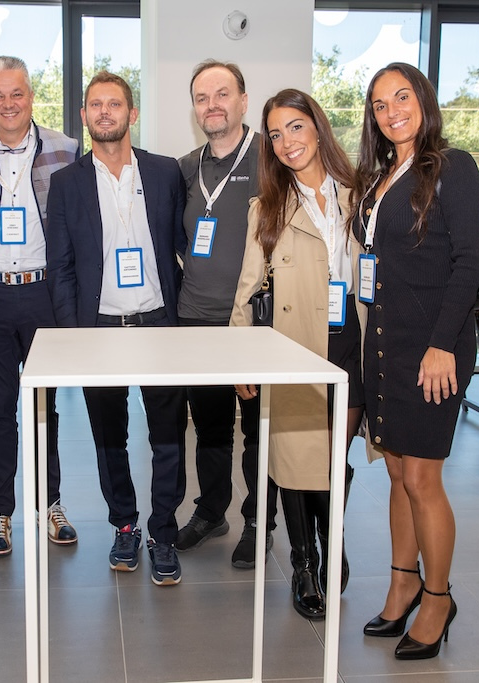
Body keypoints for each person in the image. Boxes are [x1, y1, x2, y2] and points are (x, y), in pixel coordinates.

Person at [351, 62, 479, 660]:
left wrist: (441, 344)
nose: (392, 111)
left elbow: (471, 261)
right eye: (380, 104)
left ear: (423, 100)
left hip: (433, 346)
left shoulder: (453, 168)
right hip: (387, 341)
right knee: (396, 473)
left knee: (422, 478)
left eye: (402, 97)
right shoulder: (381, 176)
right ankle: (402, 583)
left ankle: (437, 598)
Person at [46, 71, 188, 586]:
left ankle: (163, 533)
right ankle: (124, 525)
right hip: (99, 328)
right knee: (110, 438)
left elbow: (182, 247)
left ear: (133, 113)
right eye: (96, 105)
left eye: (115, 104)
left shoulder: (166, 172)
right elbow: (60, 267)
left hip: (158, 322)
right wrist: (74, 335)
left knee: (167, 436)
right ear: (84, 115)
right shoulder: (66, 183)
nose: (105, 112)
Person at [231, 89, 363, 620]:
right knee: (293, 454)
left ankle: (333, 540)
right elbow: (247, 285)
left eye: (296, 127)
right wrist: (242, 357)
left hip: (351, 335)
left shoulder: (361, 194)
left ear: (317, 126)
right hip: (293, 341)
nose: (287, 141)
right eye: (276, 134)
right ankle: (305, 563)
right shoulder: (267, 208)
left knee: (331, 454)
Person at [0, 56, 79, 555]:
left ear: (31, 96)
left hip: (44, 296)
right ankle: (0, 512)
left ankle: (50, 503)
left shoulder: (66, 149)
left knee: (45, 407)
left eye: (17, 93)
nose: (8, 104)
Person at [174, 59, 278, 568]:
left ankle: (259, 520)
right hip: (195, 317)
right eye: (202, 97)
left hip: (252, 322)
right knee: (210, 426)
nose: (212, 105)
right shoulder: (184, 167)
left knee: (258, 428)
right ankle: (211, 510)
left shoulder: (270, 158)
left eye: (222, 94)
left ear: (242, 101)